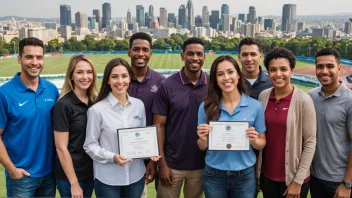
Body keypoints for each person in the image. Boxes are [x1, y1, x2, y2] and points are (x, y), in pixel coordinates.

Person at [83, 58, 159, 198]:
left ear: (130, 78)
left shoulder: (138, 105)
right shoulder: (96, 110)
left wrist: (150, 151)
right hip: (108, 179)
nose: (120, 81)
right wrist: (112, 157)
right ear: (107, 80)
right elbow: (90, 145)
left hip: (136, 176)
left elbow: (142, 136)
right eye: (114, 76)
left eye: (124, 76)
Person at [197, 55, 266, 198]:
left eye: (230, 72)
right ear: (215, 80)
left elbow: (261, 143)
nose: (226, 78)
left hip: (245, 174)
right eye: (220, 74)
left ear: (238, 75)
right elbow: (201, 146)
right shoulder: (205, 107)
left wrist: (254, 140)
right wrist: (203, 138)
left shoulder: (255, 106)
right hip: (214, 174)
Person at [0, 37, 59, 197]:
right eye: (29, 57)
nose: (35, 62)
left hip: (49, 174)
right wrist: (12, 170)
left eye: (39, 57)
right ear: (19, 59)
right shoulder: (4, 94)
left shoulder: (51, 89)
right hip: (21, 177)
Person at [257, 48, 316, 198]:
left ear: (291, 71)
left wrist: (298, 181)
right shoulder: (263, 96)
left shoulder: (303, 100)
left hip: (294, 180)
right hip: (268, 177)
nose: (278, 74)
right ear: (267, 72)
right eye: (272, 69)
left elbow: (310, 142)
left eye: (283, 69)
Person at [153, 37, 208, 198]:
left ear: (205, 57)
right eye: (190, 54)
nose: (195, 58)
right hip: (172, 164)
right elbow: (159, 126)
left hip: (201, 165)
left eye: (199, 54)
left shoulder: (212, 85)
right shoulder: (167, 85)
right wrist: (161, 164)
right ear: (182, 55)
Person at [309, 48, 352, 198]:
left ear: (339, 68)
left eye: (330, 66)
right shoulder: (311, 96)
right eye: (320, 66)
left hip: (338, 181)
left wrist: (347, 184)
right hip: (314, 177)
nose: (324, 71)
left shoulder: (350, 101)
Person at [53, 55, 97, 198]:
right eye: (80, 72)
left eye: (89, 72)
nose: (85, 77)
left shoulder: (94, 101)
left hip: (91, 172)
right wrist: (74, 183)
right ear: (71, 76)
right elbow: (61, 148)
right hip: (71, 176)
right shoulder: (63, 105)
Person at [127, 32, 166, 194]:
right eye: (136, 49)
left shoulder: (161, 82)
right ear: (129, 52)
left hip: (150, 153)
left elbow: (162, 124)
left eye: (145, 50)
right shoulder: (119, 79)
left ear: (150, 53)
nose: (140, 54)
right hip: (120, 153)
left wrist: (153, 159)